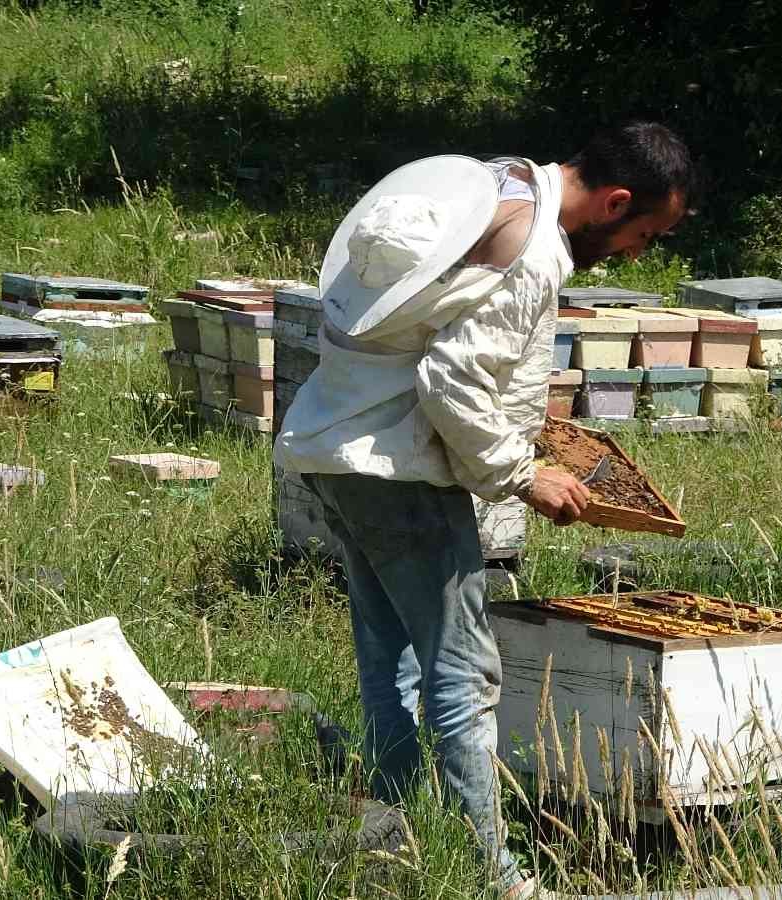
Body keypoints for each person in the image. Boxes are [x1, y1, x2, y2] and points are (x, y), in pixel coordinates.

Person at [274, 122, 694, 898]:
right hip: (398, 467)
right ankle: (490, 874)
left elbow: (446, 339)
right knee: (464, 673)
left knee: (392, 659)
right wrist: (522, 474)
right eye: (645, 235)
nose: (637, 254)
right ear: (616, 202)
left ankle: (394, 835)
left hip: (337, 447)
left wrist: (526, 422)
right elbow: (452, 382)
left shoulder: (504, 180)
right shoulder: (533, 253)